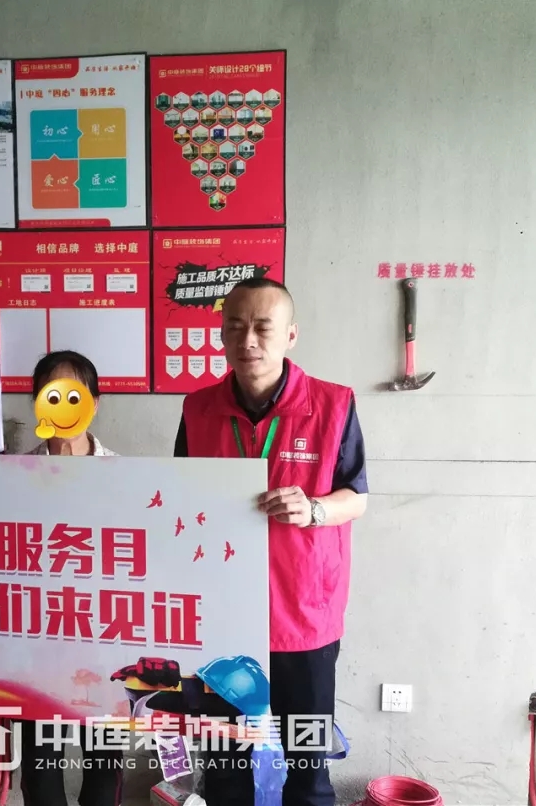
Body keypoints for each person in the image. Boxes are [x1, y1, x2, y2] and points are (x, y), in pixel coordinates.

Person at [172, 277, 368, 806]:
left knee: (307, 771)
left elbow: (357, 497)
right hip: (223, 621)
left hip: (304, 618)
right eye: (235, 327)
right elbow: (178, 497)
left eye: (263, 327)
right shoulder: (198, 409)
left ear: (290, 334)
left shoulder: (333, 404)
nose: (248, 340)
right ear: (221, 334)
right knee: (226, 771)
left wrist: (314, 509)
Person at [17, 350, 122, 806]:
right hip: (37, 648)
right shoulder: (9, 479)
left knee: (103, 771)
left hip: (106, 645)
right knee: (41, 772)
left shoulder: (129, 478)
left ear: (95, 403)